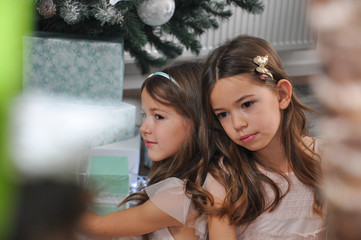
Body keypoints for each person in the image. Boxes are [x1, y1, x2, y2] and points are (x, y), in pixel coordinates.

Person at [200, 35, 326, 239]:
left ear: (282, 95)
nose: (237, 124)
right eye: (223, 114)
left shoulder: (329, 159)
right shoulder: (225, 178)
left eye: (247, 104)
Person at [79, 61, 214, 240]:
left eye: (158, 116)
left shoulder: (179, 197)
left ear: (197, 122)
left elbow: (96, 226)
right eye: (144, 115)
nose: (144, 128)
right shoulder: (192, 181)